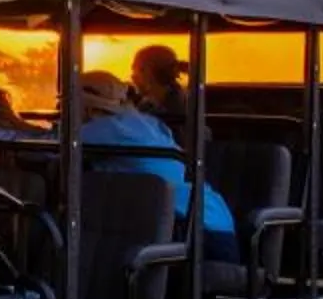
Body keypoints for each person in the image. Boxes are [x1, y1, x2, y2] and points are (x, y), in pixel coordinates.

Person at [78, 69, 235, 261]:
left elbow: (55, 145)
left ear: (88, 109)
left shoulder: (107, 129)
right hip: (214, 226)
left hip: (194, 234)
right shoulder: (145, 123)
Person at [130, 45, 190, 142]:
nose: (132, 77)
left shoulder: (173, 110)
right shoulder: (150, 102)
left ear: (148, 72)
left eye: (135, 70)